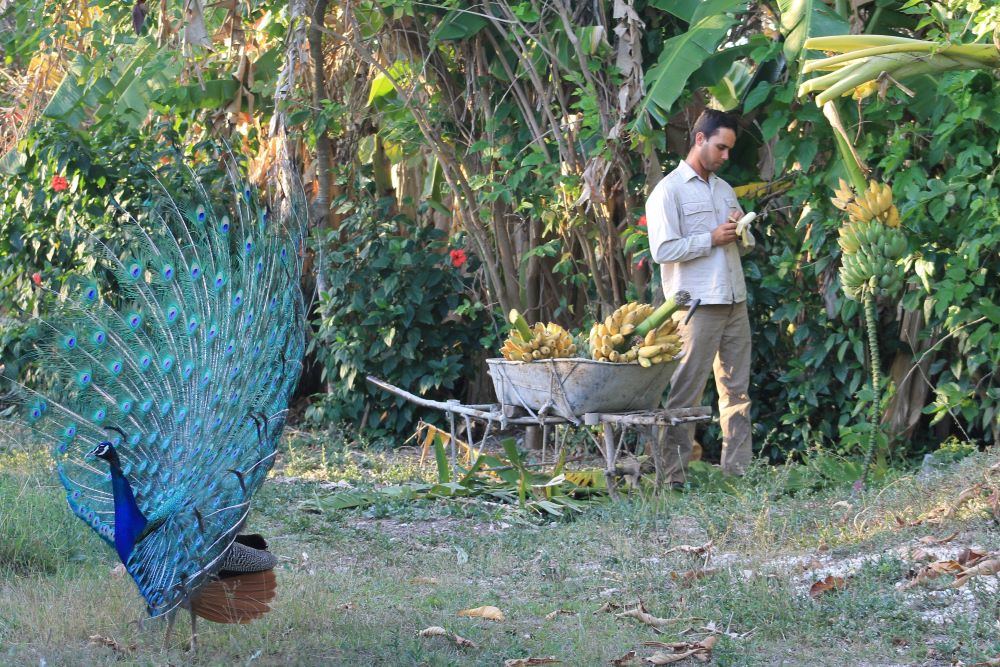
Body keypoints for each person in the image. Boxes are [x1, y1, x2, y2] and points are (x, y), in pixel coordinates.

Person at [645, 109, 755, 488]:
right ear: (699, 139)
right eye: (721, 148)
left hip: (734, 299)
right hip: (695, 303)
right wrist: (710, 237)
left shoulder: (725, 190)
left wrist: (740, 232)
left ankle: (738, 476)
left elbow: (739, 246)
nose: (726, 156)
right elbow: (662, 249)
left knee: (737, 393)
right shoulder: (668, 190)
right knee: (685, 395)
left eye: (729, 150)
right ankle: (672, 480)